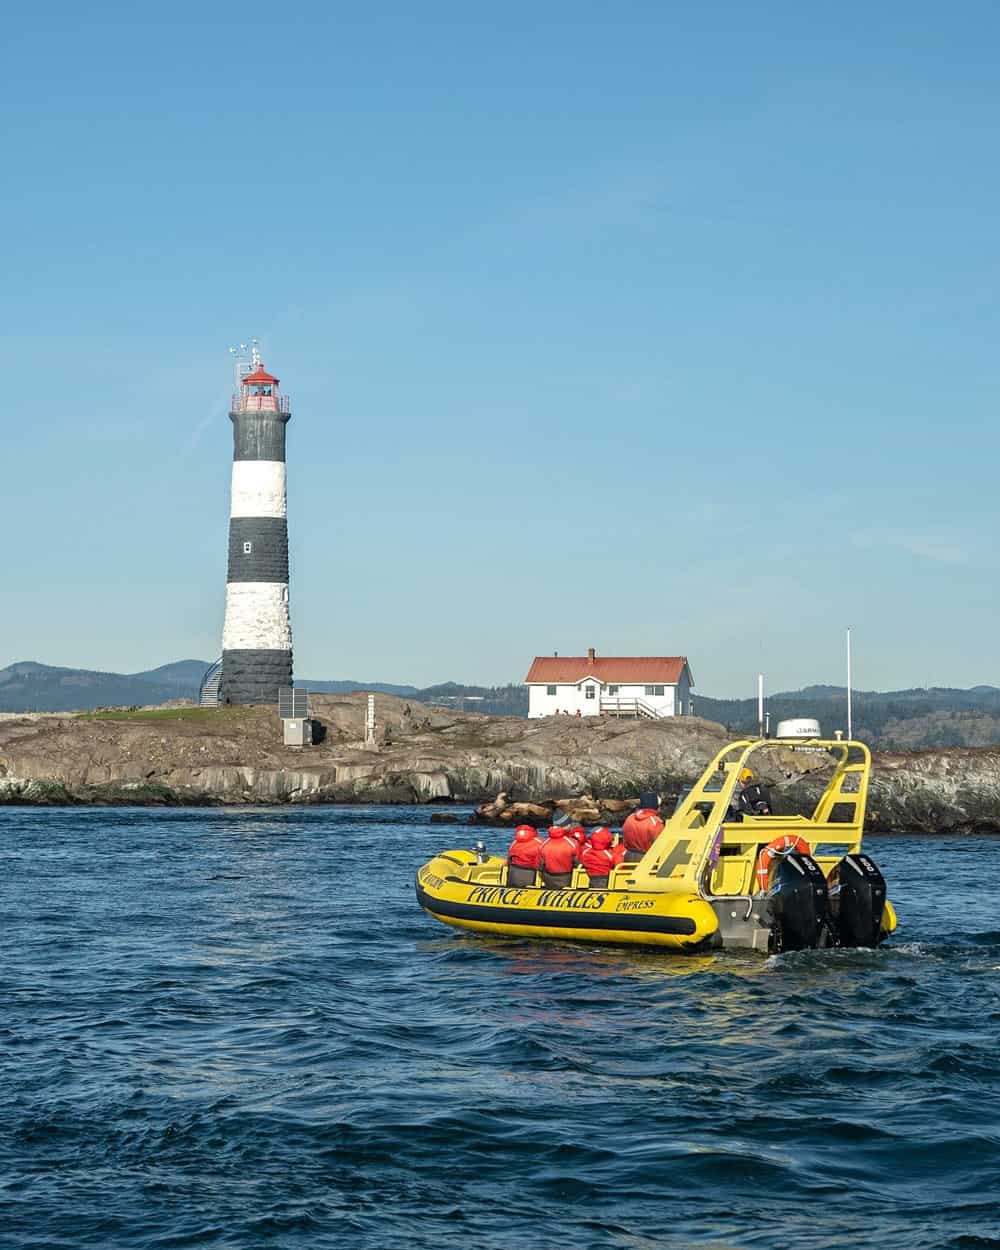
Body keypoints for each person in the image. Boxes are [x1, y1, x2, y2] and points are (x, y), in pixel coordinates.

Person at [621, 791, 664, 863]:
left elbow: (624, 839)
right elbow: (659, 846)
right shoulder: (656, 823)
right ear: (656, 806)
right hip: (647, 860)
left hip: (628, 857)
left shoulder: (630, 818)